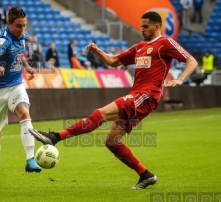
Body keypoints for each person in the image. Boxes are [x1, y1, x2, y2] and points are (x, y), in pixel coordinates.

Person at [29, 11, 198, 189]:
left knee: (100, 114)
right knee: (111, 141)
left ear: (157, 26)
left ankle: (54, 137)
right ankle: (146, 175)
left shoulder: (165, 43)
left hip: (147, 95)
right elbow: (114, 61)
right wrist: (98, 51)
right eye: (141, 27)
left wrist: (180, 79)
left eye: (146, 27)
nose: (142, 30)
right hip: (138, 96)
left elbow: (191, 61)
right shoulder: (139, 46)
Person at [0, 6, 41, 189]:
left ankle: (30, 159)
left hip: (16, 85)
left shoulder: (22, 36)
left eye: (24, 26)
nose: (22, 29)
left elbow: (19, 54)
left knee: (24, 112)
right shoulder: (3, 39)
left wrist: (27, 66)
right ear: (8, 24)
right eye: (18, 26)